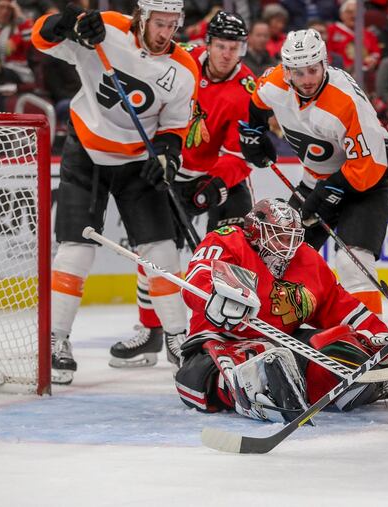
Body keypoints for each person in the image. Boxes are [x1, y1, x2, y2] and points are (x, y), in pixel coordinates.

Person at [32, 0, 199, 383]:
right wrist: (66, 23)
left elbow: (174, 128)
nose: (166, 33)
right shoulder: (104, 29)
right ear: (142, 17)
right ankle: (56, 340)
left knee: (161, 250)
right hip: (85, 152)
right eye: (160, 23)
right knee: (76, 250)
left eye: (173, 25)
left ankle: (177, 336)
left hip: (137, 163)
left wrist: (168, 156)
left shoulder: (184, 68)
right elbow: (41, 39)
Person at [175, 199, 388, 421]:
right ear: (255, 232)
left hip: (281, 344)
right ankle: (248, 392)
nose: (288, 246)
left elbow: (340, 305)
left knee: (343, 345)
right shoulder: (228, 240)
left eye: (293, 237)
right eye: (280, 236)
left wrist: (385, 341)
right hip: (219, 341)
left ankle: (360, 385)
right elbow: (199, 275)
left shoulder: (307, 258)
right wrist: (214, 294)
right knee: (206, 376)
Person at [108, 10, 258, 368]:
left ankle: (232, 331)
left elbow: (240, 156)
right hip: (171, 170)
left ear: (243, 49)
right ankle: (151, 331)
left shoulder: (247, 90)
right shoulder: (182, 59)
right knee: (156, 253)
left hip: (219, 179)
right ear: (208, 44)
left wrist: (210, 187)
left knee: (233, 254)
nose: (226, 54)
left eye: (233, 47)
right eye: (220, 45)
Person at [239, 29, 388, 317]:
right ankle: (282, 329)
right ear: (286, 71)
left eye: (313, 69)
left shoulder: (346, 101)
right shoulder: (274, 84)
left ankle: (372, 339)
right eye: (298, 72)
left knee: (352, 261)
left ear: (325, 62)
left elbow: (371, 165)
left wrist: (331, 189)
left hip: (367, 183)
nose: (307, 79)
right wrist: (253, 133)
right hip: (315, 181)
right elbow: (257, 104)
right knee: (280, 255)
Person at [327, 0, 381, 73]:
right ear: (341, 14)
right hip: (339, 73)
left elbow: (376, 53)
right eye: (349, 12)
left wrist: (372, 60)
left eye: (357, 12)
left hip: (365, 72)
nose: (354, 16)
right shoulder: (331, 30)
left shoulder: (368, 34)